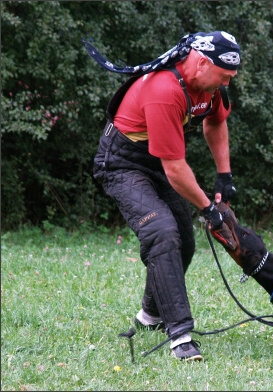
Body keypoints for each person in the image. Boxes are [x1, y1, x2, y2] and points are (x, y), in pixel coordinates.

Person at [83, 31, 241, 361]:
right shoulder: (164, 89)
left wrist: (224, 176)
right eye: (223, 76)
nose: (226, 83)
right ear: (201, 63)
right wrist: (208, 208)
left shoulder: (209, 88)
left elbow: (215, 123)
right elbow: (175, 169)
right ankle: (180, 336)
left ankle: (150, 315)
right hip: (122, 161)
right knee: (161, 232)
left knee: (183, 239)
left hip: (156, 158)